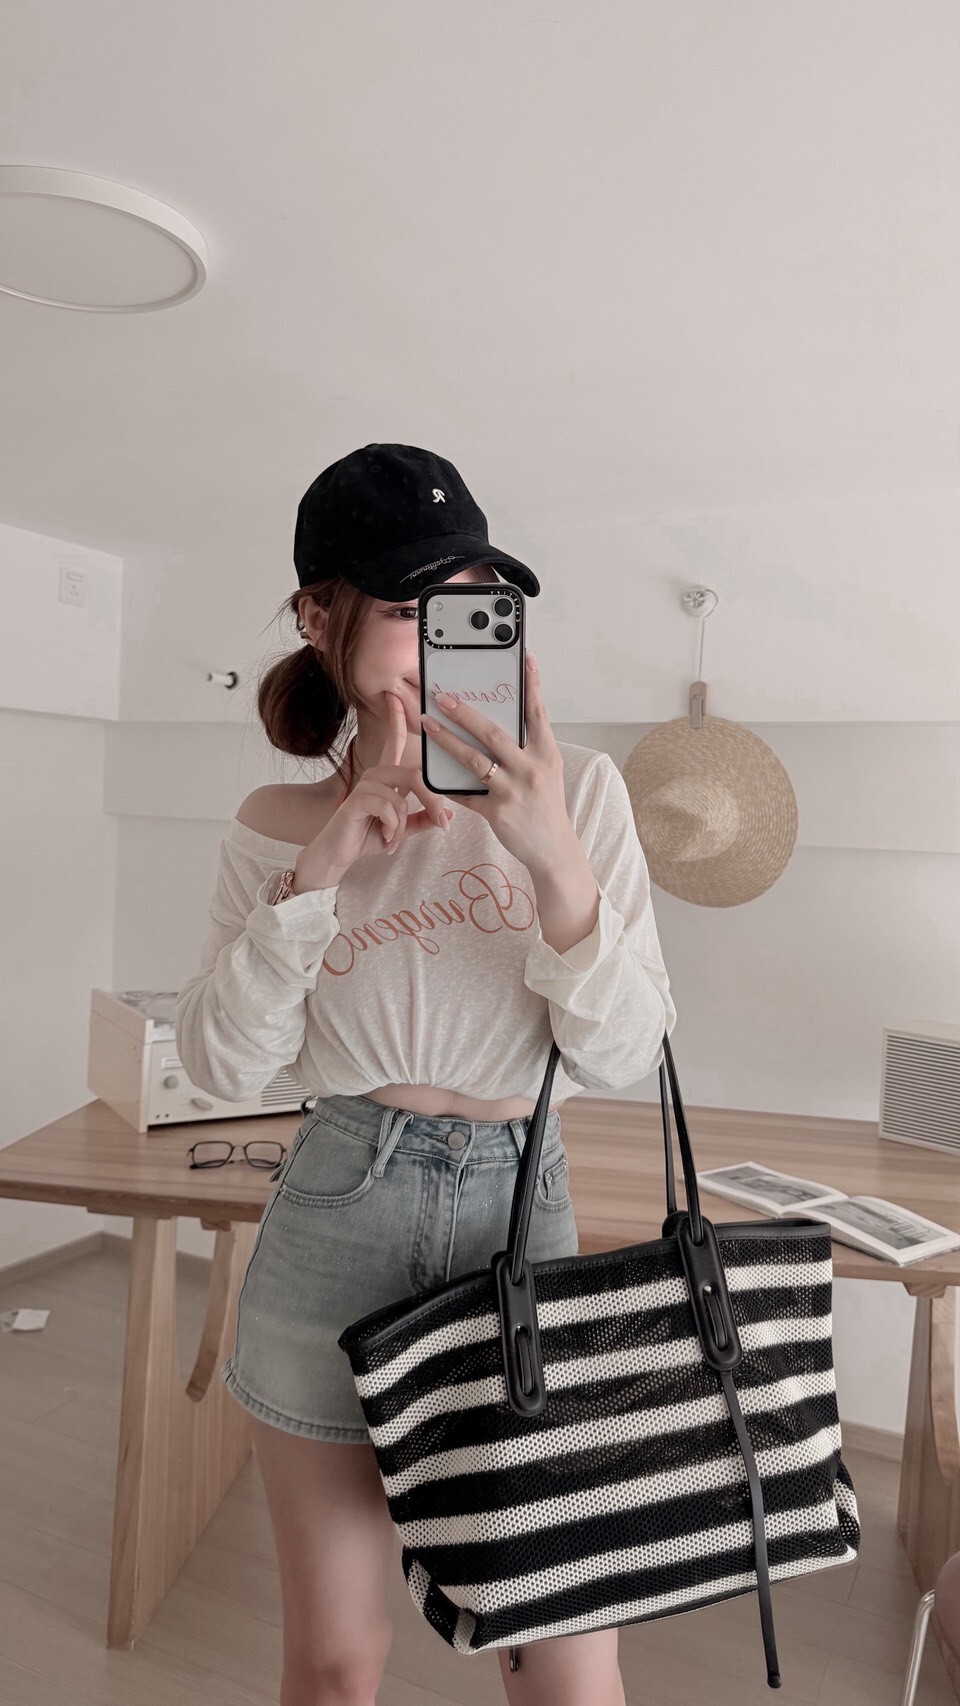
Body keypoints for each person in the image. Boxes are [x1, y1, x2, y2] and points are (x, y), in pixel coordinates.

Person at [175, 443, 677, 1706]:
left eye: (474, 606)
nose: (445, 640)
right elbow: (223, 1063)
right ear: (318, 613)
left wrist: (553, 856)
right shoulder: (275, 826)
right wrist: (320, 874)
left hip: (521, 1216)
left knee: (566, 1662)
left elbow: (624, 1053)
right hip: (336, 1215)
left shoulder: (582, 792)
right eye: (411, 607)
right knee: (337, 1662)